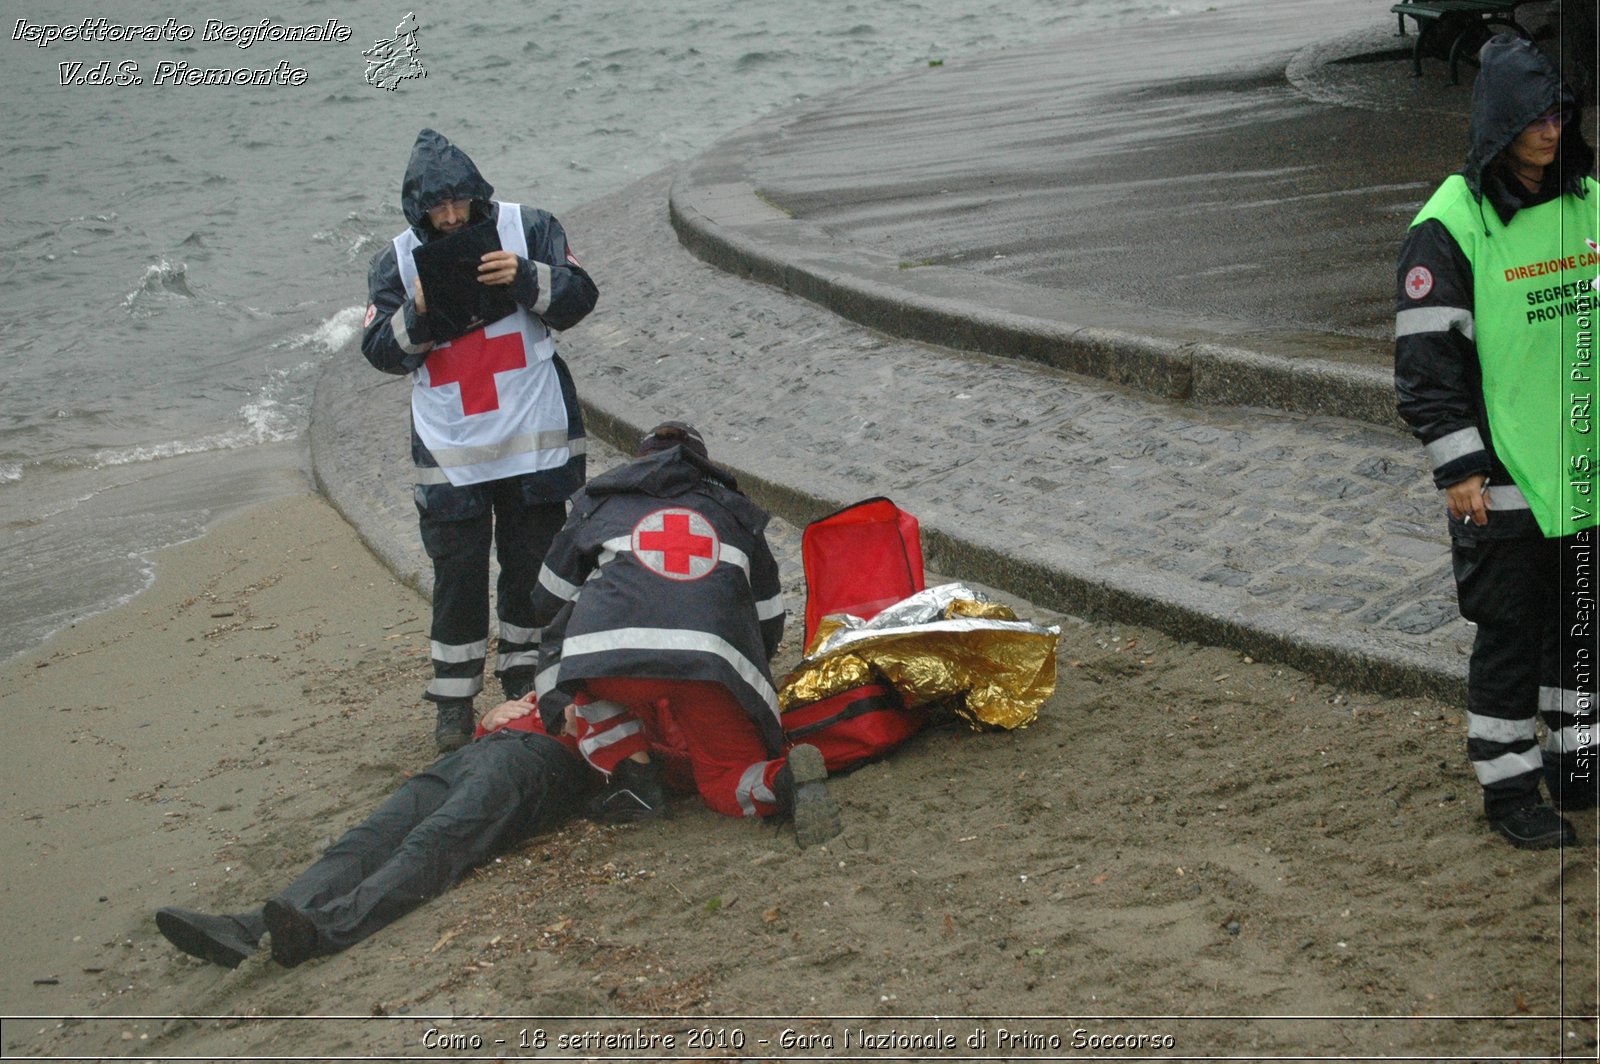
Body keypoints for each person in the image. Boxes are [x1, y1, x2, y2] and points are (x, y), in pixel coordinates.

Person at [1395, 34, 1599, 849]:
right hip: (1502, 475)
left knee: (1581, 625)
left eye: (1560, 114)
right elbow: (1426, 357)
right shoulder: (1448, 224)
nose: (1551, 131)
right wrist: (1460, 465)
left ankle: (1578, 764)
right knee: (1512, 636)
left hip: (1579, 465)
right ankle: (1510, 788)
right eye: (1533, 118)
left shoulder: (1587, 201)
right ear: (1499, 121)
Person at [362, 128, 598, 752]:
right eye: (435, 209)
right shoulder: (396, 262)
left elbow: (578, 300)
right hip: (452, 450)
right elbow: (380, 353)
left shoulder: (532, 227)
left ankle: (528, 678)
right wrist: (414, 311)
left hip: (534, 439)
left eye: (457, 204)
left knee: (533, 564)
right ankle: (453, 700)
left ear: (476, 195)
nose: (449, 217)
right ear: (416, 211)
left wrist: (525, 278)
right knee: (457, 574)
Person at [531, 422, 842, 847]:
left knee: (580, 677)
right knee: (723, 777)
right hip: (713, 663)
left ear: (638, 461)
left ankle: (634, 779)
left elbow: (548, 598)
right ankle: (784, 782)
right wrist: (739, 687)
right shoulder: (737, 512)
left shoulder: (600, 502)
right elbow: (768, 620)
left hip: (618, 661)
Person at [156, 698, 588, 969]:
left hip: (538, 763)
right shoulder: (579, 645)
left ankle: (323, 929)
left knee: (437, 840)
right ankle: (248, 930)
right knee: (367, 839)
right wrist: (491, 719)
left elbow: (644, 767)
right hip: (487, 748)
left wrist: (591, 729)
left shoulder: (636, 676)